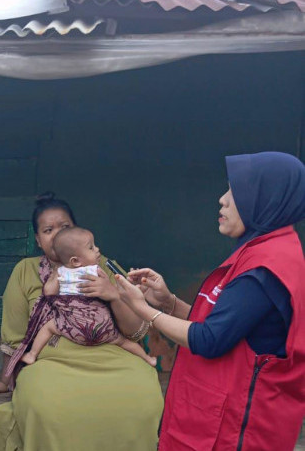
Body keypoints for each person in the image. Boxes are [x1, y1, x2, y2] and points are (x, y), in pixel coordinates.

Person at [114, 152, 305, 451]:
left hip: (232, 430)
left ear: (266, 199)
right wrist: (169, 302)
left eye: (235, 192)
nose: (223, 200)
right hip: (218, 418)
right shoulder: (265, 250)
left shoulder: (265, 269)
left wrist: (142, 308)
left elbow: (210, 339)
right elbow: (229, 327)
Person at [0, 192, 163, 451]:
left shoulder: (104, 266)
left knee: (142, 398)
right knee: (47, 406)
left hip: (113, 357)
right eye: (47, 230)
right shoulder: (25, 271)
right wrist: (5, 379)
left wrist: (113, 295)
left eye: (64, 227)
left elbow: (135, 332)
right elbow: (15, 338)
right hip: (52, 363)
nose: (56, 235)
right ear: (38, 240)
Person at [10, 227, 155, 370]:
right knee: (124, 342)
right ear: (75, 261)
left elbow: (48, 293)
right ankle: (148, 359)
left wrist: (54, 275)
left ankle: (32, 354)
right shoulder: (97, 270)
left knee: (49, 326)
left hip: (74, 329)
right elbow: (118, 292)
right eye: (91, 247)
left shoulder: (61, 272)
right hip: (102, 328)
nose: (97, 249)